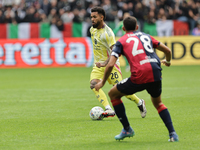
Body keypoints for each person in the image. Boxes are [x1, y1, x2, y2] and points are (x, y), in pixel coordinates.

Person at [95, 16, 179, 142]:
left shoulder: (121, 41)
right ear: (137, 27)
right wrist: (167, 61)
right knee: (158, 103)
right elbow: (167, 50)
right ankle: (173, 134)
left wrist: (102, 82)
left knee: (113, 94)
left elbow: (111, 64)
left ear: (123, 28)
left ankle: (127, 129)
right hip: (156, 72)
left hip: (139, 75)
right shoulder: (147, 36)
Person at [90, 7, 147, 118]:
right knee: (93, 85)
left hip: (111, 65)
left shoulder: (108, 33)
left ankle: (139, 102)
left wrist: (104, 63)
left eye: (94, 17)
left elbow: (114, 52)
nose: (92, 19)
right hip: (98, 66)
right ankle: (108, 108)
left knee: (121, 90)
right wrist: (99, 63)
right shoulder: (92, 30)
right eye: (91, 17)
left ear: (101, 17)